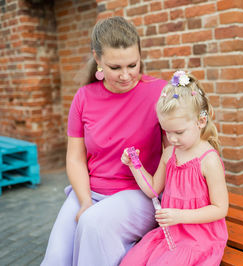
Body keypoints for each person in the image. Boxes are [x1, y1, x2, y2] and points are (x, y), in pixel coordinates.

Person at [41, 16, 168, 266]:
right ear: (97, 59)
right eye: (115, 68)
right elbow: (75, 159)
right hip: (90, 191)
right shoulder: (83, 98)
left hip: (139, 194)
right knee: (55, 259)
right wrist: (85, 200)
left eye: (133, 65)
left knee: (93, 224)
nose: (126, 75)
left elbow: (175, 148)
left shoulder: (160, 92)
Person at [120, 71, 229, 266]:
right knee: (131, 262)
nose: (172, 139)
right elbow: (153, 189)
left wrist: (180, 216)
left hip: (199, 238)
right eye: (166, 131)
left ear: (201, 122)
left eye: (179, 132)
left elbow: (220, 209)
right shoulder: (170, 153)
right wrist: (134, 165)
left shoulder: (208, 160)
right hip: (170, 233)